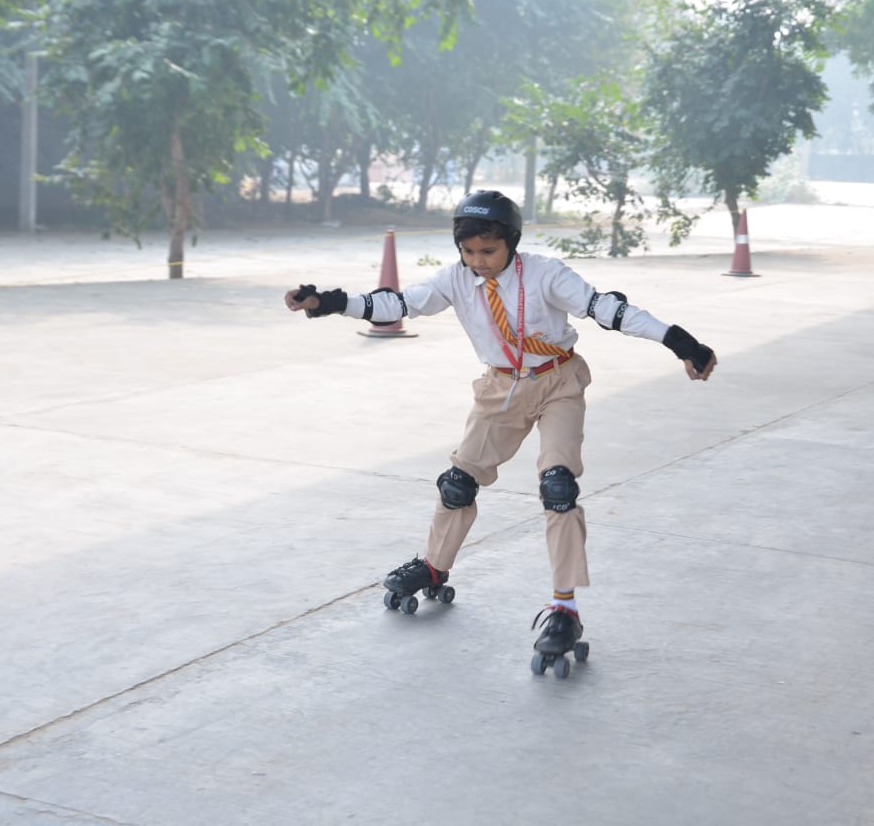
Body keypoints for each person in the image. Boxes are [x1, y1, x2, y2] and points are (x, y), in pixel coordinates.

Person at [283, 189, 716, 669]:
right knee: (457, 484)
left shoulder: (547, 273)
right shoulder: (456, 278)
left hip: (557, 383)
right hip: (499, 390)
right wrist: (329, 301)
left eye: (488, 251)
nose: (479, 262)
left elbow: (608, 310)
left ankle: (564, 608)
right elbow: (399, 303)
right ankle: (433, 565)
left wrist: (681, 343)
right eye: (468, 252)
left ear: (511, 242)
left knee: (558, 486)